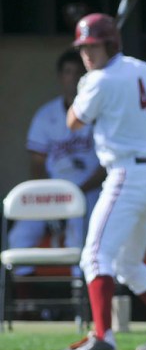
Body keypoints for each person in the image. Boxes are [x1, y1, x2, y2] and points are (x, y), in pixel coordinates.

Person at [57, 13, 146, 350]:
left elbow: (73, 121)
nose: (88, 53)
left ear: (110, 43)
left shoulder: (98, 81)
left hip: (126, 175)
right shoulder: (140, 67)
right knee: (129, 266)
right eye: (84, 47)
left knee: (94, 255)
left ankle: (103, 336)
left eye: (94, 45)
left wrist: (87, 86)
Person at [8, 49, 105, 287]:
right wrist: (51, 202)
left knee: (79, 237)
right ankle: (28, 307)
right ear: (60, 77)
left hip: (89, 192)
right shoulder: (46, 115)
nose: (72, 78)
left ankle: (78, 302)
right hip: (53, 195)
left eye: (77, 73)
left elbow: (106, 166)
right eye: (67, 73)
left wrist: (74, 196)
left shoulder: (100, 113)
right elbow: (37, 164)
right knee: (18, 236)